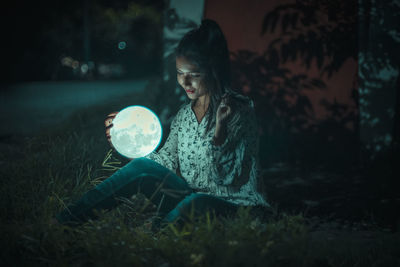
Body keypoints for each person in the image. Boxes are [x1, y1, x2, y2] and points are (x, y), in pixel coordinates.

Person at [55, 19, 269, 228]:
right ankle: (65, 220)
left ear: (213, 70)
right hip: (192, 197)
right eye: (180, 73)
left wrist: (220, 132)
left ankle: (156, 236)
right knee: (142, 167)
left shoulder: (239, 110)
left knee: (195, 203)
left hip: (235, 206)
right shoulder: (185, 115)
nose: (185, 82)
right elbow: (164, 161)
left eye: (193, 74)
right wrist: (125, 142)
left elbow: (225, 178)